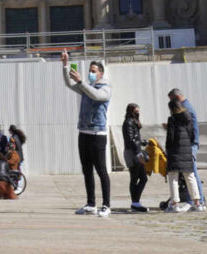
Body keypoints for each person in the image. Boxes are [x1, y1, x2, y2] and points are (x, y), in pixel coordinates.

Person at [61, 50, 112, 218]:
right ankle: (91, 203)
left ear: (101, 73)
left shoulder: (105, 88)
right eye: (89, 70)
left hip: (98, 134)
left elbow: (96, 96)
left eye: (94, 71)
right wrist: (65, 65)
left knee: (101, 170)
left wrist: (82, 81)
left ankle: (106, 205)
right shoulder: (85, 87)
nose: (91, 73)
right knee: (87, 170)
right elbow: (69, 84)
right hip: (84, 132)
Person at [168, 88, 205, 209]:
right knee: (190, 175)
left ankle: (194, 201)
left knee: (189, 174)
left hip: (185, 147)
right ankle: (197, 201)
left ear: (177, 98)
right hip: (188, 145)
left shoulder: (183, 111)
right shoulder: (186, 111)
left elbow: (173, 136)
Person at [123, 103, 148, 212]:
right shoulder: (128, 122)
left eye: (138, 111)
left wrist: (143, 142)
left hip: (135, 151)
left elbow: (135, 138)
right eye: (136, 111)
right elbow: (131, 139)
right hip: (133, 153)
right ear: (131, 111)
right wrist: (139, 153)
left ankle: (135, 202)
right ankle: (135, 203)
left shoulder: (133, 122)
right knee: (135, 178)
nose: (138, 113)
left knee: (143, 178)